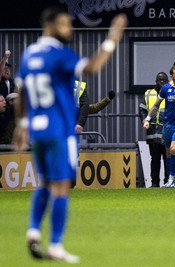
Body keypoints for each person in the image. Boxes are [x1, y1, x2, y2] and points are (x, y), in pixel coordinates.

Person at [12, 6, 127, 262]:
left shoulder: (29, 54)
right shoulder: (59, 54)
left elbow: (20, 90)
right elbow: (94, 66)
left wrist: (21, 123)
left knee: (43, 182)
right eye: (65, 24)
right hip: (60, 131)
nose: (69, 28)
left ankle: (32, 230)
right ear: (50, 26)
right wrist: (112, 39)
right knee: (62, 187)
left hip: (37, 131)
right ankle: (55, 244)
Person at [139, 72, 169, 187]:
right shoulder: (148, 94)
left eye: (164, 80)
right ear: (155, 81)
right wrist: (145, 121)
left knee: (167, 159)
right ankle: (155, 183)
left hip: (166, 131)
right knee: (155, 159)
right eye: (160, 80)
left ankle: (167, 182)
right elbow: (142, 110)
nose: (162, 82)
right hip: (152, 133)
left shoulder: (170, 94)